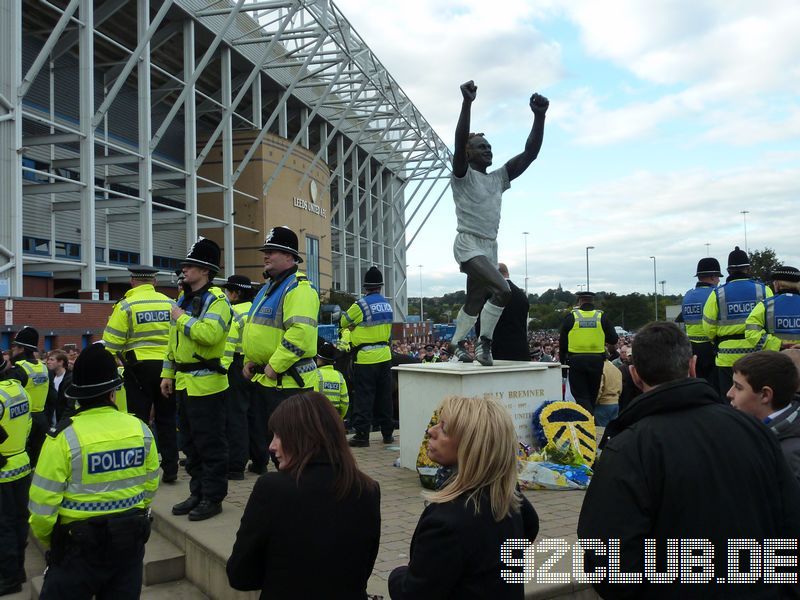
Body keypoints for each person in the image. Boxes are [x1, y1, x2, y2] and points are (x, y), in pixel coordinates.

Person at [577, 322, 800, 599]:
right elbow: (790, 522)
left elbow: (606, 557)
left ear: (634, 375)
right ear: (693, 365)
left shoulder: (628, 448)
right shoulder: (754, 431)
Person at [29, 343, 159, 600]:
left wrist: (52, 543)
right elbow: (150, 486)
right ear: (113, 392)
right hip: (128, 544)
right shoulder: (140, 430)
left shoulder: (62, 437)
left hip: (77, 551)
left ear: (77, 395)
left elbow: (42, 509)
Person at [226, 392, 381, 599]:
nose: (271, 446)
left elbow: (240, 574)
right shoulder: (368, 489)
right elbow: (364, 567)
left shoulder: (272, 489)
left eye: (278, 435)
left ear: (302, 437)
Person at [388, 395, 539, 599]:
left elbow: (413, 593)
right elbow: (530, 525)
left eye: (444, 429)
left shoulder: (447, 522)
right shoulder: (505, 495)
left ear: (470, 446)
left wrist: (397, 576)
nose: (430, 431)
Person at [448, 80, 548, 366]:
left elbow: (530, 153)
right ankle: (485, 343)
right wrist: (467, 103)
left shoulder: (499, 178)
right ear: (468, 153)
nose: (488, 151)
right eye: (481, 147)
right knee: (503, 290)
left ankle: (455, 341)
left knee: (474, 301)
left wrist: (539, 117)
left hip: (489, 246)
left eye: (490, 147)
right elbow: (458, 141)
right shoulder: (462, 174)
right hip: (468, 242)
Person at [161, 237, 232, 521]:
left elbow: (209, 335)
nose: (184, 270)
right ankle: (197, 492)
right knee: (190, 444)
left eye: (190, 266)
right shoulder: (184, 299)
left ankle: (213, 498)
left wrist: (180, 318)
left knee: (210, 444)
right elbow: (172, 342)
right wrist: (167, 373)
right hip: (184, 382)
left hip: (209, 386)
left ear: (205, 271)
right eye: (185, 266)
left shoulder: (218, 301)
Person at [242, 226, 319, 472]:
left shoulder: (298, 289)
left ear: (290, 257)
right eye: (266, 251)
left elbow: (300, 333)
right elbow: (256, 330)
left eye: (272, 251)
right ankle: (288, 496)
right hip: (269, 382)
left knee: (293, 450)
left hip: (289, 384)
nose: (266, 255)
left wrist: (275, 365)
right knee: (277, 450)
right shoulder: (269, 288)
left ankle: (299, 500)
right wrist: (250, 359)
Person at [103, 265, 178, 484]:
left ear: (132, 281)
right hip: (168, 368)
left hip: (138, 370)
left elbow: (111, 343)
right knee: (166, 419)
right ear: (154, 282)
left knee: (140, 421)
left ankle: (143, 468)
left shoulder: (126, 305)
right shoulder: (170, 303)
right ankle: (171, 468)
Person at [703, 246, 772, 396]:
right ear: (748, 268)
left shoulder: (717, 294)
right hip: (758, 357)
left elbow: (708, 328)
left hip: (727, 359)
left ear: (728, 271)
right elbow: (771, 324)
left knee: (731, 403)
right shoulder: (764, 290)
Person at [340, 266, 394, 447]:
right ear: (380, 286)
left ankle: (362, 436)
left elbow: (343, 322)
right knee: (384, 397)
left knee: (364, 397)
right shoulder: (387, 304)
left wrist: (353, 327)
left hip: (365, 358)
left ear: (365, 287)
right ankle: (388, 434)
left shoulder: (360, 305)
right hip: (385, 356)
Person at [729, 351, 800, 481]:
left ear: (765, 395)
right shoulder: (758, 430)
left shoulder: (788, 454)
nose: (729, 393)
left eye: (738, 387)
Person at [220, 274, 258, 481]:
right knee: (256, 414)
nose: (227, 295)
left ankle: (236, 466)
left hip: (237, 366)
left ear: (236, 293)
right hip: (259, 365)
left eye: (228, 291)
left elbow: (228, 344)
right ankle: (260, 461)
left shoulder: (233, 313)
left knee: (236, 416)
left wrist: (222, 368)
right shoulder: (258, 309)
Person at [0, 358, 31, 596]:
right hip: (21, 463)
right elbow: (28, 423)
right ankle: (18, 569)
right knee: (19, 521)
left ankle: (9, 577)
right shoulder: (19, 389)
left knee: (4, 526)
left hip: (3, 471)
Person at [559, 291, 619, 414]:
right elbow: (613, 339)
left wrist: (563, 369)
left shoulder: (571, 317)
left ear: (580, 301)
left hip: (576, 361)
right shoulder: (601, 317)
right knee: (592, 396)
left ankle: (590, 422)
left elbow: (563, 345)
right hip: (596, 361)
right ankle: (591, 421)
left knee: (581, 396)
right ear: (592, 301)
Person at [9, 327, 50, 466]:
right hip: (43, 419)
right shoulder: (43, 367)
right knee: (38, 461)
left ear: (21, 349)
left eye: (14, 346)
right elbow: (52, 397)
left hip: (25, 422)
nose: (12, 349)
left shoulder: (19, 369)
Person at [679, 257, 722, 384]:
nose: (719, 280)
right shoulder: (716, 294)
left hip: (692, 349)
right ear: (713, 277)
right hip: (711, 348)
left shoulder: (687, 295)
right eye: (718, 277)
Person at [477, 263, 530, 361]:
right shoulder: (522, 295)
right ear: (507, 273)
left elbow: (481, 323)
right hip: (521, 351)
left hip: (498, 352)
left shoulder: (491, 293)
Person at [746, 265, 800, 352]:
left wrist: (779, 344)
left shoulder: (765, 305)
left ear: (777, 284)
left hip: (774, 360)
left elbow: (751, 332)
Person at [314, 339, 349, 418]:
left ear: (321, 360)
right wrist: (339, 418)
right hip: (335, 416)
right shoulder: (339, 376)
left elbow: (312, 399)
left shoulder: (315, 375)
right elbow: (345, 402)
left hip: (319, 416)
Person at [46, 350, 73, 423]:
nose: (48, 362)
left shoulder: (70, 379)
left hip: (63, 420)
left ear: (60, 362)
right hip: (51, 420)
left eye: (52, 359)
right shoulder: (49, 377)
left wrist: (63, 421)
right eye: (48, 359)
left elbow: (70, 404)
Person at [594, 358, 622, 427]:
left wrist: (594, 401)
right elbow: (620, 388)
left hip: (603, 404)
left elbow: (600, 388)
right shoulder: (616, 369)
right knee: (612, 431)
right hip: (615, 403)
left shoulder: (601, 368)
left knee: (602, 432)